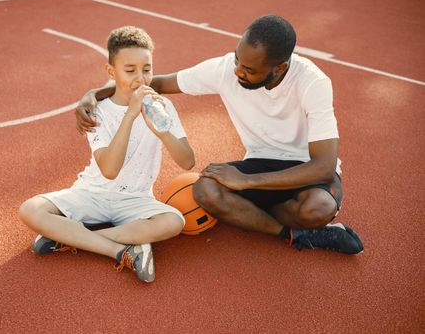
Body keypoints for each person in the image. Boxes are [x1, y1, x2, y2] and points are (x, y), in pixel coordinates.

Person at [75, 15, 364, 255]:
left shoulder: (313, 83)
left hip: (305, 169)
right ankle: (291, 234)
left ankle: (255, 214)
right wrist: (95, 94)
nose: (238, 71)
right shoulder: (226, 69)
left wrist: (247, 182)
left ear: (279, 69)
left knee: (319, 207)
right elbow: (156, 84)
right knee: (204, 190)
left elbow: (324, 167)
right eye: (238, 59)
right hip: (261, 160)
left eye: (249, 69)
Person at [19, 26, 195, 283]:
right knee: (30, 210)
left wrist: (162, 130)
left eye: (147, 69)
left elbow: (187, 161)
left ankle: (72, 238)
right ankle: (122, 249)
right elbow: (110, 170)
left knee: (174, 221)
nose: (141, 78)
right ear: (111, 72)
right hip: (93, 193)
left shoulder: (163, 106)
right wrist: (131, 114)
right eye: (130, 70)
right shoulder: (98, 111)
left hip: (135, 199)